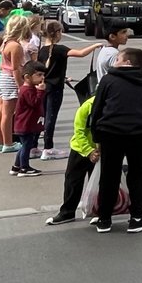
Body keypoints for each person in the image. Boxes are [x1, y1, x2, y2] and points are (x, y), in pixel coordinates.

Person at [89, 47, 142, 233]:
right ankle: (137, 217)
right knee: (138, 173)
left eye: (118, 59)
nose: (115, 62)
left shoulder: (108, 80)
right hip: (139, 133)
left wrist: (96, 135)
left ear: (127, 63)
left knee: (109, 175)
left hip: (111, 132)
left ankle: (104, 219)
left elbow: (97, 109)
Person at [37, 20, 101, 160]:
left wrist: (63, 77)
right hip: (55, 88)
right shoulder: (59, 49)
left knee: (43, 116)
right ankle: (48, 148)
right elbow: (80, 53)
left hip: (45, 86)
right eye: (60, 31)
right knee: (51, 118)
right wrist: (95, 45)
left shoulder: (42, 49)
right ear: (57, 33)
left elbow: (48, 70)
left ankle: (35, 145)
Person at [45, 92, 100, 225]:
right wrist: (89, 151)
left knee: (99, 183)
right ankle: (67, 212)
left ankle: (99, 212)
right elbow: (79, 131)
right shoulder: (87, 107)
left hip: (100, 150)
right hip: (80, 149)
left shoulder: (112, 107)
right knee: (73, 181)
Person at [0, 15, 31, 153]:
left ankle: (0, 142)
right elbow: (16, 68)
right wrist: (21, 86)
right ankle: (8, 143)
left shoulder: (5, 42)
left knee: (1, 112)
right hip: (10, 79)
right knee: (8, 114)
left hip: (3, 76)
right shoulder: (16, 46)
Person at [11, 60, 47, 177]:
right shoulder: (27, 90)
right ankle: (24, 168)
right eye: (39, 75)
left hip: (27, 123)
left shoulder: (28, 89)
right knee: (27, 146)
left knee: (24, 146)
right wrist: (40, 91)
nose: (42, 78)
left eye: (43, 75)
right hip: (25, 124)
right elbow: (35, 103)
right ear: (27, 77)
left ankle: (17, 166)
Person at [94, 23, 131, 91]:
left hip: (103, 89)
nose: (127, 35)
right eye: (123, 32)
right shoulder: (114, 54)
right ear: (112, 37)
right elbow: (120, 76)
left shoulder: (105, 49)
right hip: (111, 91)